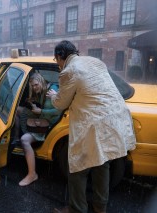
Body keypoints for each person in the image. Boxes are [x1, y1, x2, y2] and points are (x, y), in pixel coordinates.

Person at [46, 40, 136, 213]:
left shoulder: (69, 71)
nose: (57, 63)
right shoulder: (95, 62)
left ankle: (77, 209)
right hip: (116, 118)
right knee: (102, 164)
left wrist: (53, 94)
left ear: (60, 56)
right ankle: (100, 207)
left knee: (78, 168)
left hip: (93, 125)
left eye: (56, 60)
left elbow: (60, 103)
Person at [18, 72, 61, 186]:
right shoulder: (43, 90)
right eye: (32, 86)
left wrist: (41, 111)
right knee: (18, 110)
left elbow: (59, 111)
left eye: (36, 85)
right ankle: (24, 133)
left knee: (24, 140)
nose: (34, 87)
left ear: (41, 81)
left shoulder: (52, 91)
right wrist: (32, 102)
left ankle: (32, 174)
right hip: (42, 118)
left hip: (48, 126)